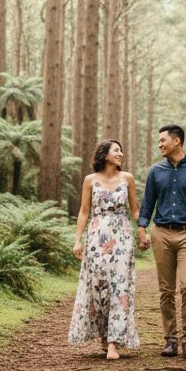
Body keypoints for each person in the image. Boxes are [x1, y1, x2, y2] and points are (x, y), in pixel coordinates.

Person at [136, 124, 186, 361]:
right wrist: (142, 229)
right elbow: (148, 202)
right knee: (166, 289)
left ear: (176, 141)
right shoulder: (155, 170)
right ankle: (170, 339)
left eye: (162, 140)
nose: (159, 144)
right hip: (161, 233)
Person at [67, 139, 141, 359]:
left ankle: (113, 342)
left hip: (122, 237)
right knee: (98, 287)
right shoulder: (90, 180)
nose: (121, 154)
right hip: (97, 237)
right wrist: (78, 240)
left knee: (119, 286)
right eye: (116, 150)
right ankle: (102, 334)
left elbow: (135, 211)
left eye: (121, 150)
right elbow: (83, 212)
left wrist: (144, 230)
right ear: (104, 154)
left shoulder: (127, 178)